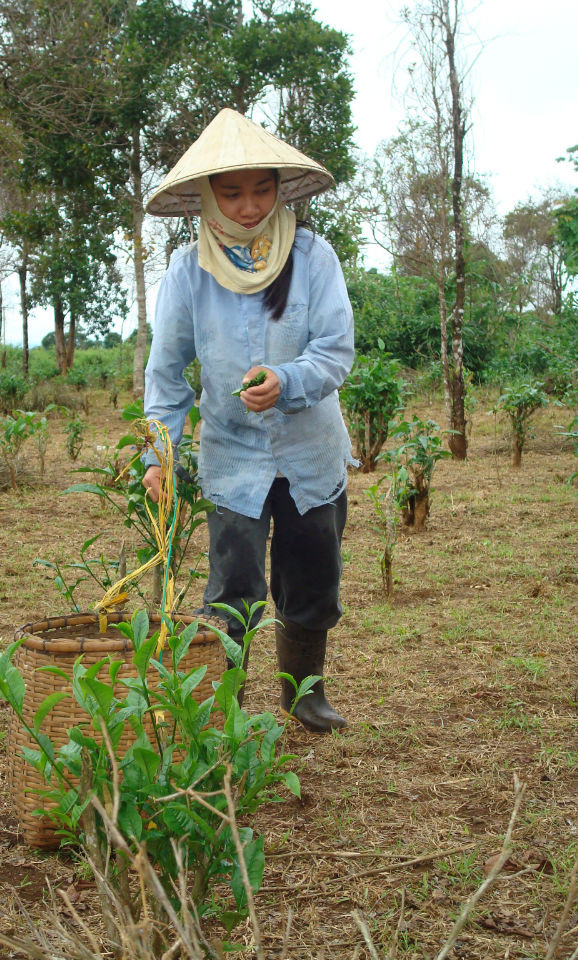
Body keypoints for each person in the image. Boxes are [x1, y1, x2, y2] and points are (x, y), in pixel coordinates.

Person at [141, 108, 356, 733]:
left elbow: (335, 350)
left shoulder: (314, 258)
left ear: (280, 187)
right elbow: (167, 372)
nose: (248, 206)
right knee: (232, 585)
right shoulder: (187, 271)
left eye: (261, 189)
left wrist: (286, 381)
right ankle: (225, 704)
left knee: (314, 574)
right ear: (206, 197)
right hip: (232, 457)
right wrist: (159, 454)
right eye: (231, 193)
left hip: (310, 452)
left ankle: (303, 694)